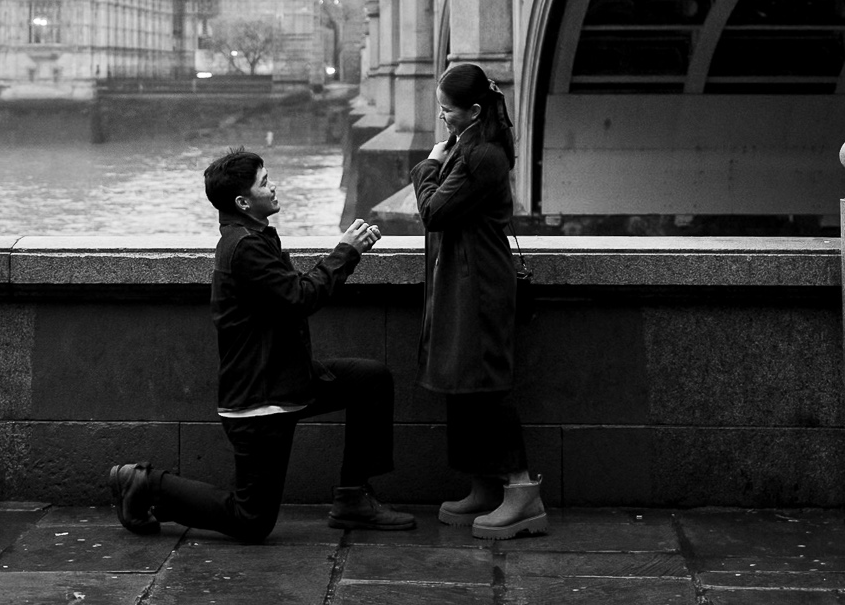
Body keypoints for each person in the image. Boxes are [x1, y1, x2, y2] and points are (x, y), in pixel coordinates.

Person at [105, 148, 416, 542]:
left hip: (288, 378)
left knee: (370, 379)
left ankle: (353, 497)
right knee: (251, 520)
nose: (274, 186)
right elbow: (301, 296)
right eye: (265, 182)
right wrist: (346, 252)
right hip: (260, 398)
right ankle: (145, 484)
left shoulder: (254, 236)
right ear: (243, 201)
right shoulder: (245, 247)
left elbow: (287, 297)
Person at [411, 62, 547, 539]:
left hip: (479, 286)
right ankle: (485, 487)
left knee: (486, 386)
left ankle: (521, 489)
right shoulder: (470, 144)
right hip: (460, 281)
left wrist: (427, 163)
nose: (442, 118)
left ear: (472, 111)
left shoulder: (483, 155)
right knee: (462, 382)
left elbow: (434, 211)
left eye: (448, 111)